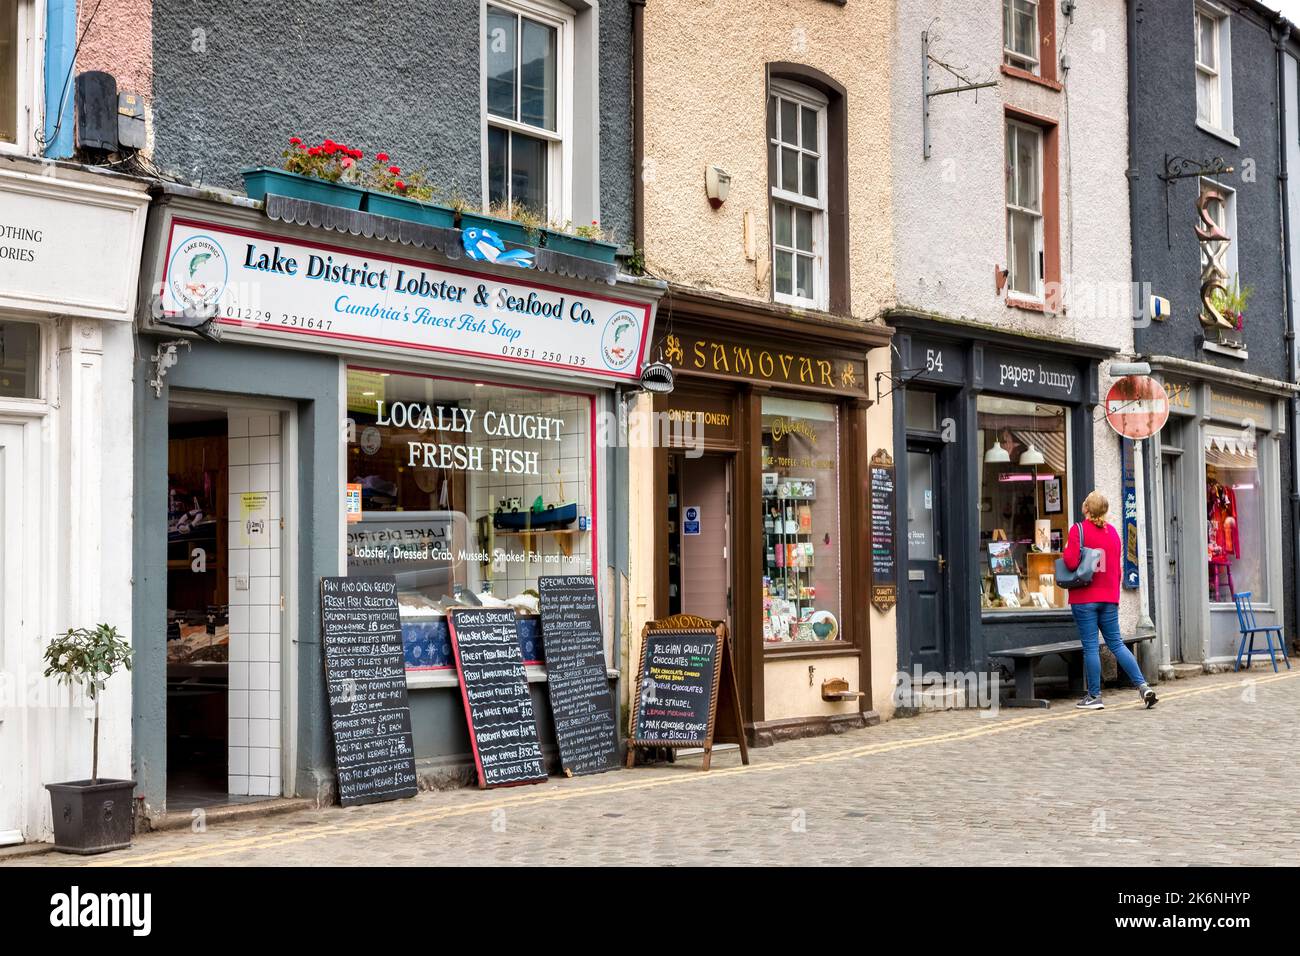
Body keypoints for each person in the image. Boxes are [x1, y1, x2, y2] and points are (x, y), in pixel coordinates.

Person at [1062, 491, 1158, 710]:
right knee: (1116, 643)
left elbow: (1069, 562)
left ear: (1086, 508)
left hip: (1085, 597)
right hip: (1109, 598)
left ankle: (1094, 696)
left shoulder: (1078, 530)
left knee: (1090, 647)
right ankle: (1143, 686)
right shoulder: (1113, 533)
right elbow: (1117, 569)